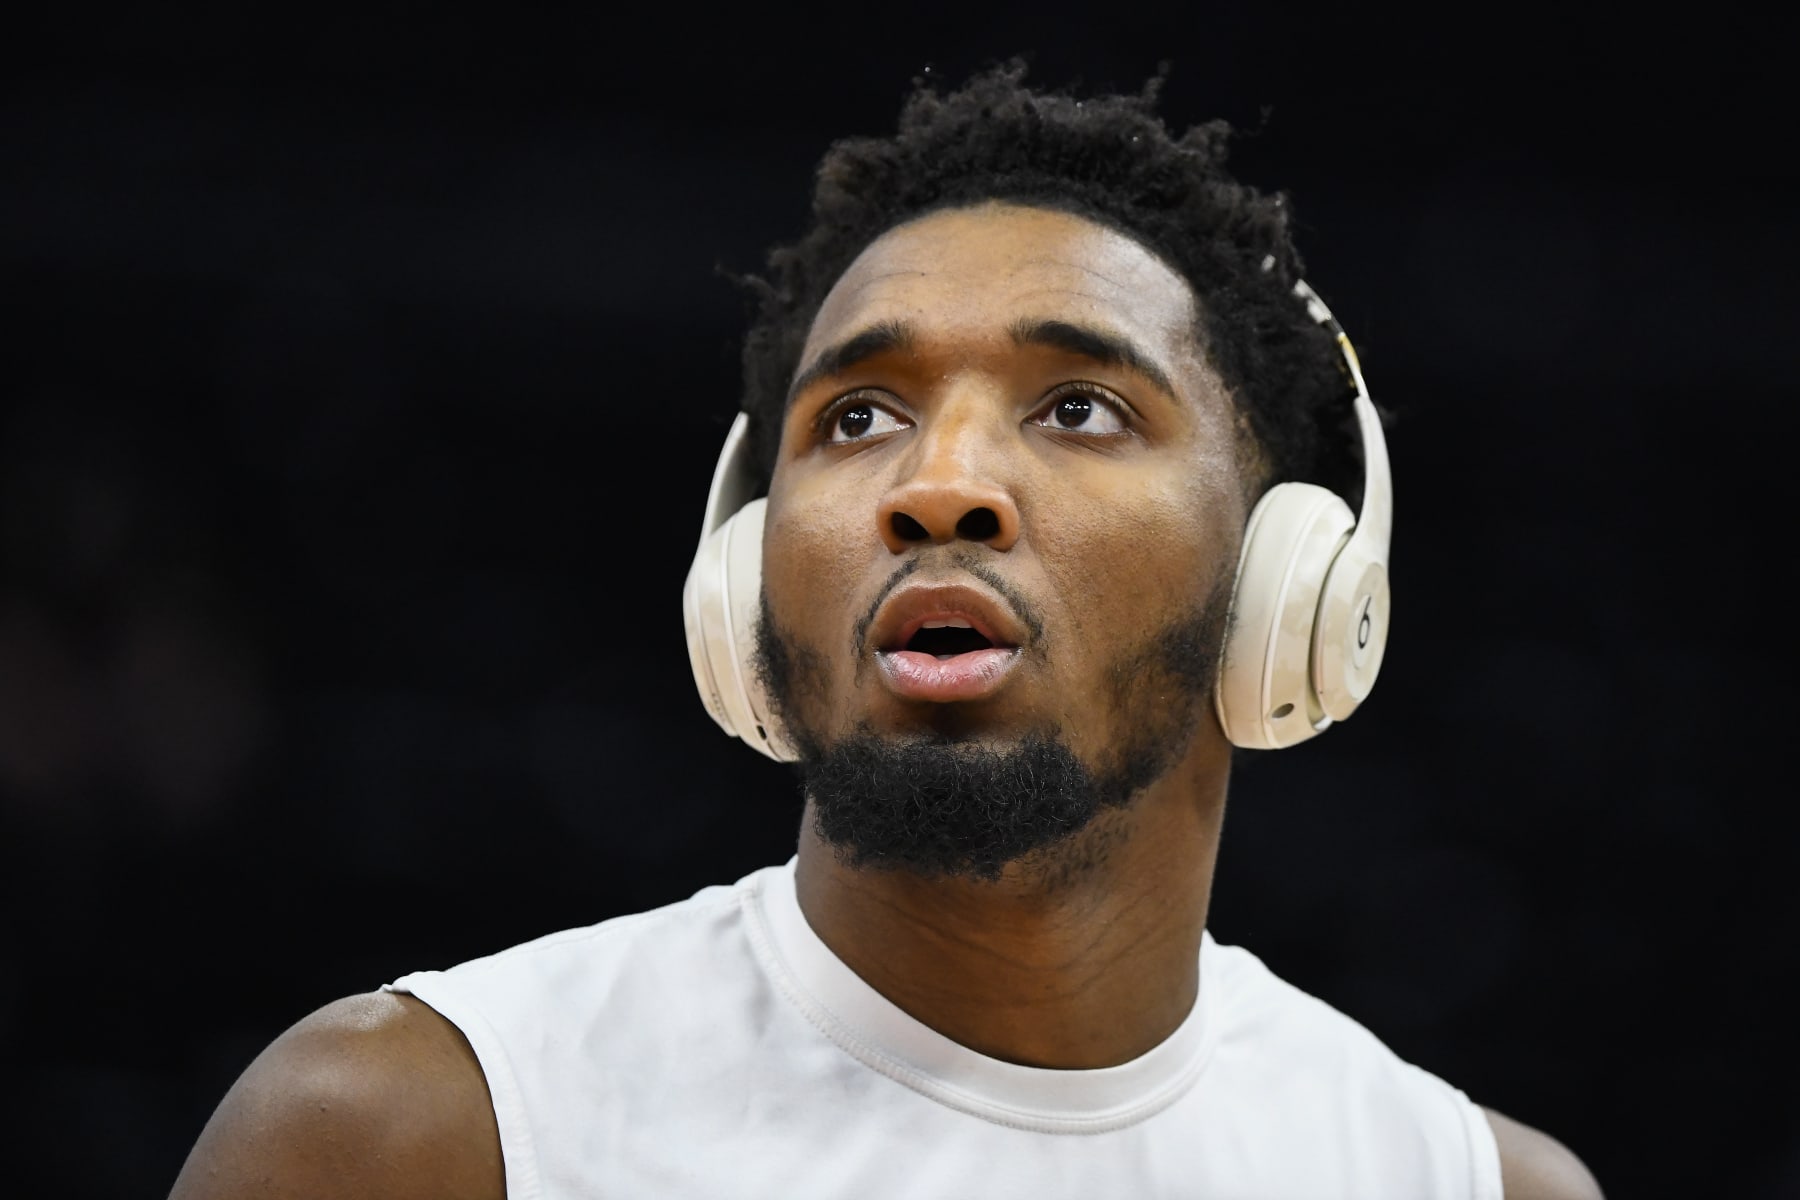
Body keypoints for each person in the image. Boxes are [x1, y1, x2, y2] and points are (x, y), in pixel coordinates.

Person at [170, 63, 1604, 1198]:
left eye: (1077, 408)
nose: (939, 489)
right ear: (741, 578)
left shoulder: (1465, 1185)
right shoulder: (410, 1135)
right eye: (857, 417)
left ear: (1296, 576)